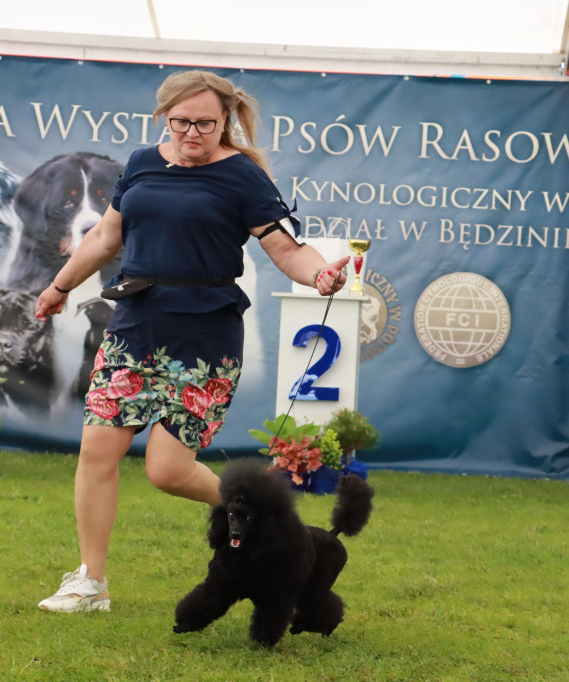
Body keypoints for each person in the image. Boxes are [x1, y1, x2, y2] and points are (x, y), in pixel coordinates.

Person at [33, 69, 349, 613]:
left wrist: (320, 274)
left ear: (225, 120)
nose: (192, 133)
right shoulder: (142, 163)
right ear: (164, 119)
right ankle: (90, 583)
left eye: (204, 123)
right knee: (96, 448)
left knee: (166, 470)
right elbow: (108, 236)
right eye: (180, 122)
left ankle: (275, 523)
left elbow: (288, 249)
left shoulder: (243, 176)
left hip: (204, 333)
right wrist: (59, 286)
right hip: (135, 324)